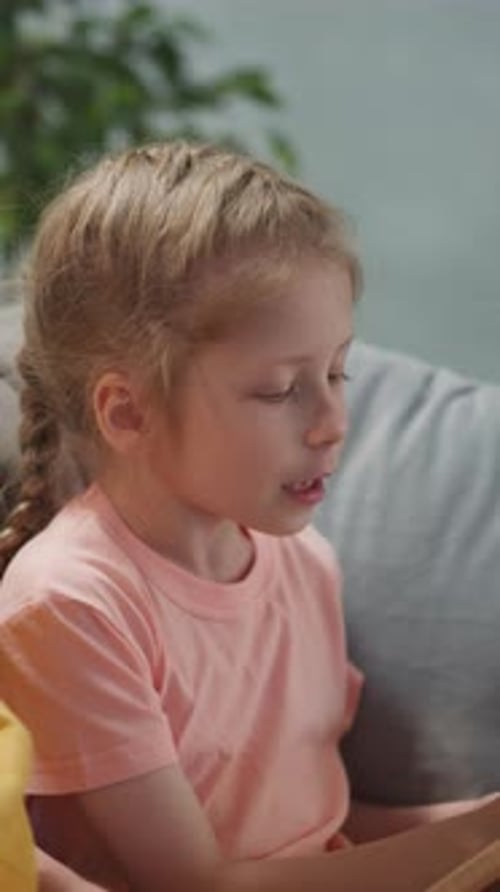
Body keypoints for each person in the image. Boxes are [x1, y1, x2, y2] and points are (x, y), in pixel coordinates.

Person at [0, 141, 498, 892]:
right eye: (279, 390)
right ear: (127, 411)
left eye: (337, 372)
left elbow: (319, 836)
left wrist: (481, 823)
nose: (333, 421)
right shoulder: (70, 608)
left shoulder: (302, 563)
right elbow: (202, 881)